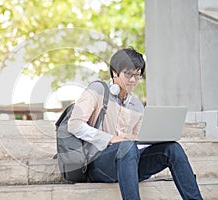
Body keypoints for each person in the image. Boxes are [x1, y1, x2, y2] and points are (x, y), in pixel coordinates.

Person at [67, 47, 203, 200]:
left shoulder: (137, 105)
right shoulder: (97, 90)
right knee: (127, 146)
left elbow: (137, 143)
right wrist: (109, 139)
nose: (133, 80)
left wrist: (156, 139)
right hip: (99, 165)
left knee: (173, 148)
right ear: (115, 73)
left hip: (130, 163)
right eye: (128, 74)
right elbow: (74, 125)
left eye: (137, 75)